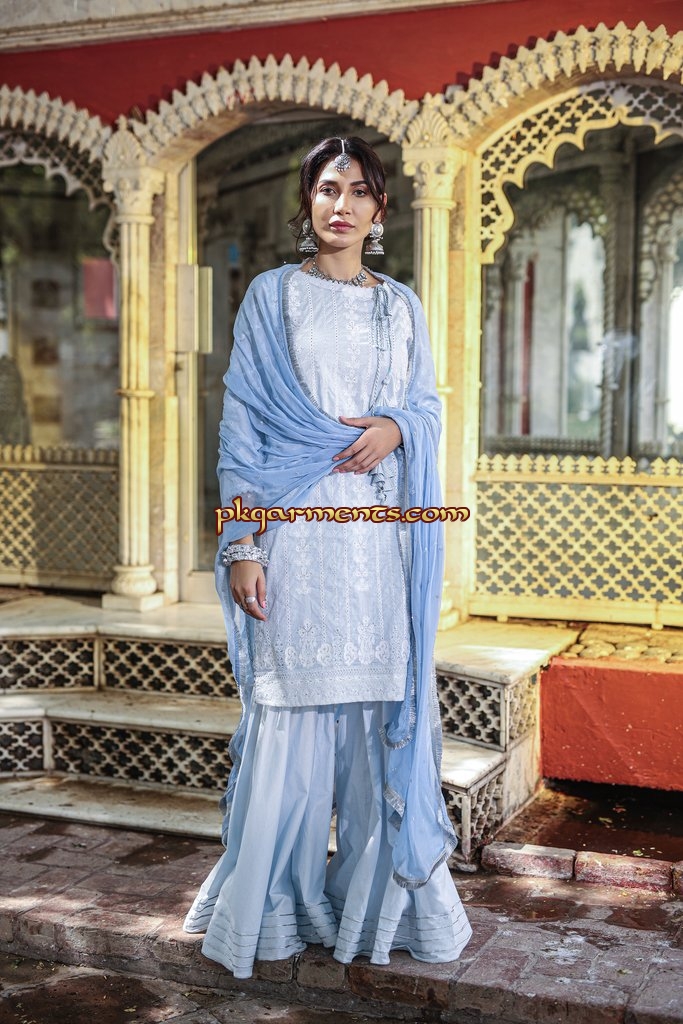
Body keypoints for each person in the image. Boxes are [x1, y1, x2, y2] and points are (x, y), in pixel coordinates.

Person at [183, 136, 472, 978]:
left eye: (356, 192)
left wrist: (397, 430)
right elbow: (242, 425)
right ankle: (274, 904)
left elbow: (424, 407)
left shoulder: (400, 306)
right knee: (289, 710)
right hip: (293, 534)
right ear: (306, 203)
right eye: (325, 189)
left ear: (379, 210)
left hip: (376, 541)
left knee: (376, 717)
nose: (340, 205)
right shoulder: (271, 297)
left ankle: (372, 908)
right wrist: (243, 544)